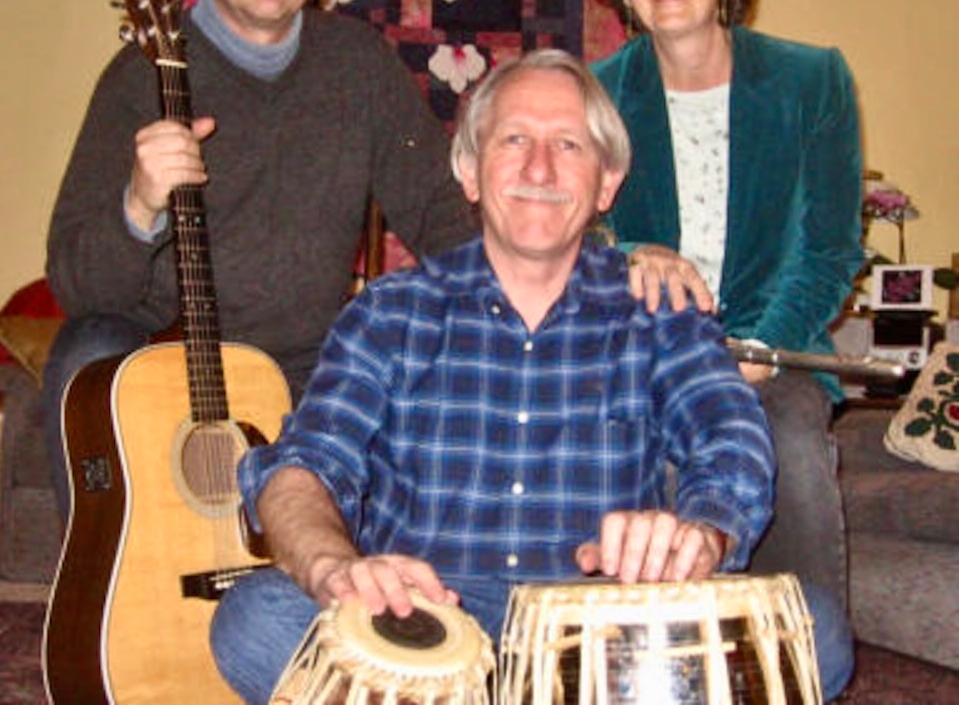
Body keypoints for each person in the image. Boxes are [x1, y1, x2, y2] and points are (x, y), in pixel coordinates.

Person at [209, 49, 786, 704]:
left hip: (599, 635)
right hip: (422, 627)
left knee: (814, 629)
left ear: (606, 183)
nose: (539, 168)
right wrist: (333, 567)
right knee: (256, 617)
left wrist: (700, 532)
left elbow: (731, 438)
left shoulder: (658, 311)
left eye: (567, 144)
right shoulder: (389, 311)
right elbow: (303, 466)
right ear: (469, 170)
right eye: (514, 139)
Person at [42, 0, 475, 520]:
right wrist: (139, 204)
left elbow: (438, 211)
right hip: (165, 360)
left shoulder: (359, 66)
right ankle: (104, 568)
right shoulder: (138, 77)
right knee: (87, 353)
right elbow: (78, 288)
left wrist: (507, 308)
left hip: (308, 369)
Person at [587, 0, 863, 678]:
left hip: (775, 354)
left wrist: (761, 349)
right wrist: (631, 252)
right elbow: (568, 234)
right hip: (643, 353)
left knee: (788, 444)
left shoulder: (813, 80)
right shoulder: (597, 94)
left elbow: (828, 248)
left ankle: (803, 661)